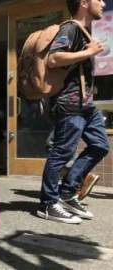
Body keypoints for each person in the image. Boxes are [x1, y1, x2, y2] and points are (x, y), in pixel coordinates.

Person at [37, 0, 108, 224]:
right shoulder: (70, 28)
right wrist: (88, 52)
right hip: (69, 104)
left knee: (100, 145)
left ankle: (67, 194)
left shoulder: (84, 31)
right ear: (84, 3)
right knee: (62, 153)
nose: (104, 3)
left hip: (86, 105)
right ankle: (48, 204)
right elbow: (54, 59)